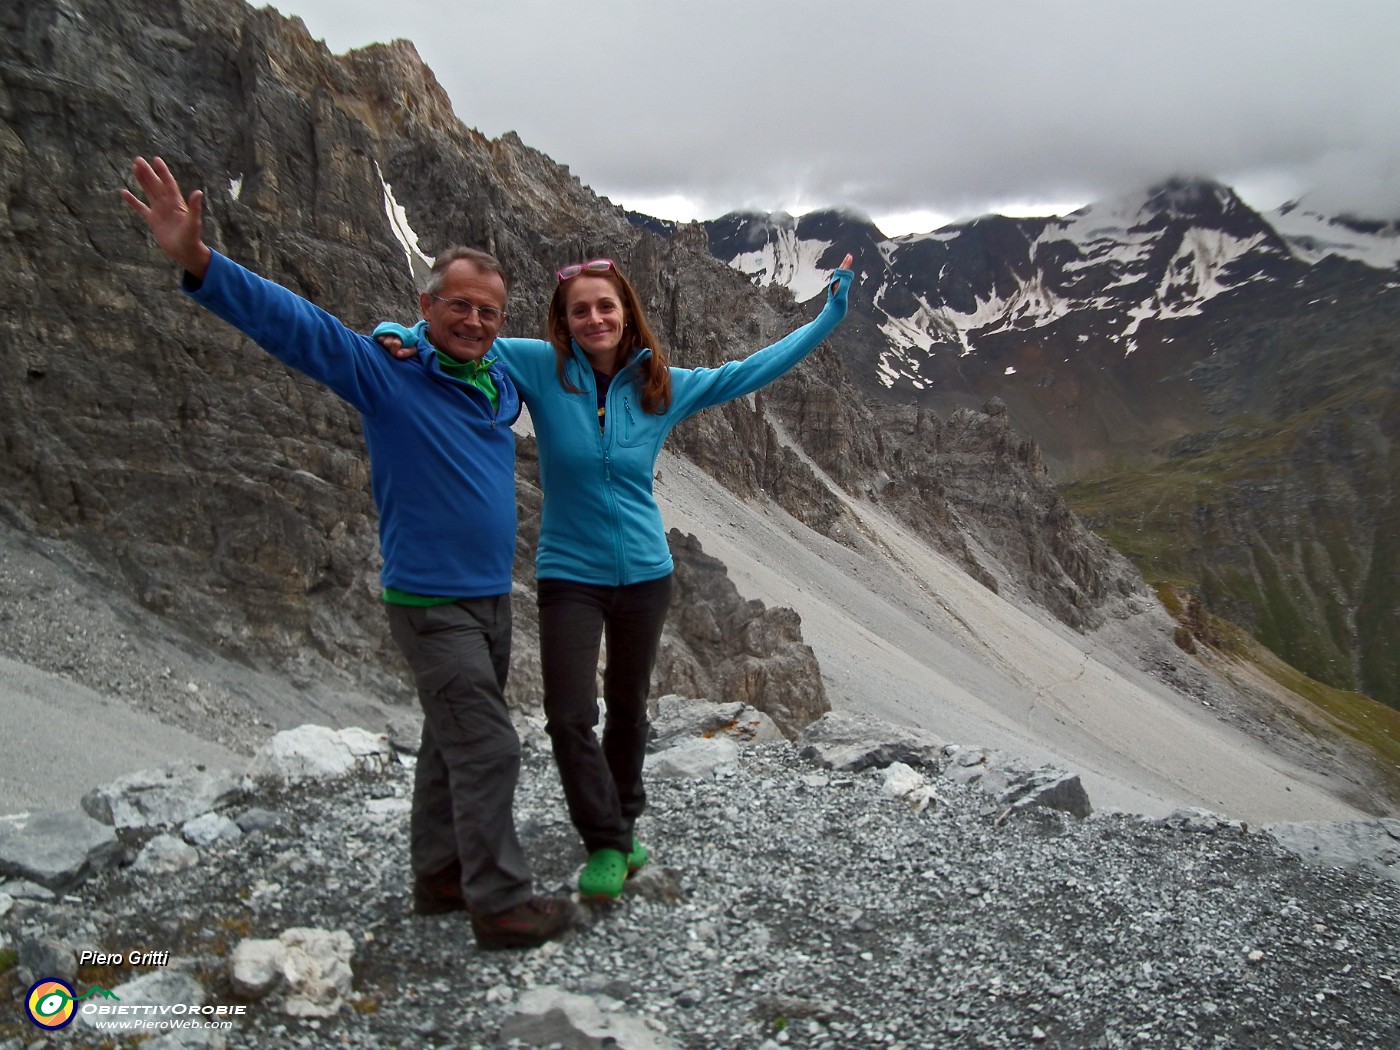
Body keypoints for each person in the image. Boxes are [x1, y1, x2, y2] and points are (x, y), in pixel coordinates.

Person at [120, 156, 571, 950]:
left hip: (492, 597)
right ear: (425, 305)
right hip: (431, 604)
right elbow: (297, 327)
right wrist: (198, 261)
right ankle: (500, 905)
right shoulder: (382, 370)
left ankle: (439, 877)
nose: (474, 322)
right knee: (491, 744)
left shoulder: (498, 379)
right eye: (458, 306)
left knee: (449, 739)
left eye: (490, 312)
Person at [375, 250, 854, 901]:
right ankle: (607, 840)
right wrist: (400, 335)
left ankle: (618, 826)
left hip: (647, 575)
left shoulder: (662, 383)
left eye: (606, 306)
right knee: (568, 714)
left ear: (626, 314)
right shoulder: (541, 368)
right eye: (581, 311)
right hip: (569, 573)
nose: (595, 318)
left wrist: (831, 312)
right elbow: (460, 336)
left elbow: (749, 372)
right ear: (565, 321)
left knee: (629, 713)